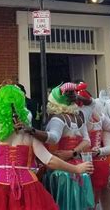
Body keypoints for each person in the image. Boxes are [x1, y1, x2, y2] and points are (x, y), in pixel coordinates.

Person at [44, 82, 95, 210]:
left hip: (66, 167)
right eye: (69, 94)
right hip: (66, 167)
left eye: (73, 93)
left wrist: (72, 152)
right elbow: (54, 138)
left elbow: (86, 140)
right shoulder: (62, 119)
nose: (72, 96)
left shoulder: (75, 116)